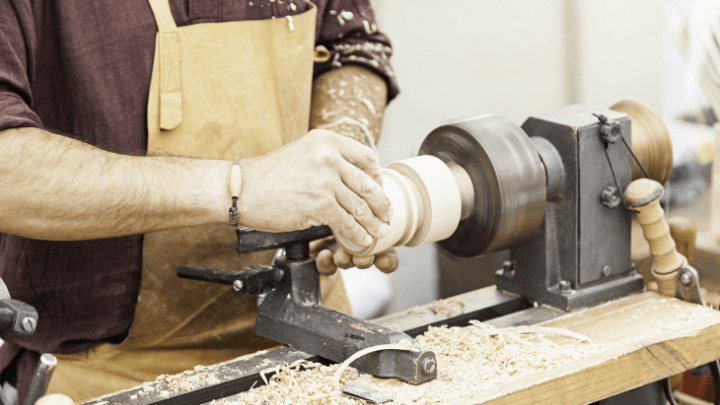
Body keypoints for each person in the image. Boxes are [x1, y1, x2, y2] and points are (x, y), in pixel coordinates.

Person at [0, 0, 399, 401]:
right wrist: (237, 186)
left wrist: (342, 179)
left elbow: (352, 48)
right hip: (113, 376)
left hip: (311, 350)